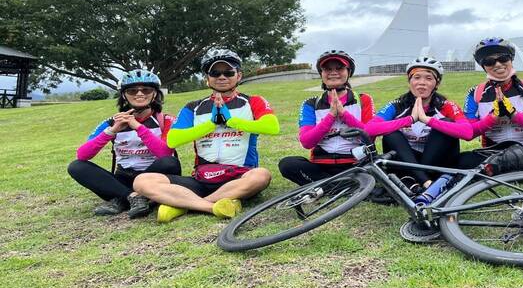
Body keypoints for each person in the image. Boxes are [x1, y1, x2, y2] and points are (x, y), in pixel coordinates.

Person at [133, 49, 279, 222]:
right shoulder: (193, 107)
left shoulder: (253, 101)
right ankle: (211, 206)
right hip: (202, 178)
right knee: (142, 181)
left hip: (240, 175)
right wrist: (211, 124)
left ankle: (185, 204)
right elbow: (173, 140)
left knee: (261, 175)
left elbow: (272, 127)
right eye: (215, 73)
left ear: (239, 76)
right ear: (207, 78)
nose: (222, 77)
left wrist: (231, 121)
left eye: (228, 72)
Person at [68, 69, 181, 217]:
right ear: (124, 95)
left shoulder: (166, 120)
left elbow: (164, 153)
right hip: (124, 177)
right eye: (132, 91)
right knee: (76, 166)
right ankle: (133, 197)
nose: (139, 94)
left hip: (154, 176)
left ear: (155, 94)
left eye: (146, 90)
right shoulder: (111, 122)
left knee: (170, 162)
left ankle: (122, 199)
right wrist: (112, 131)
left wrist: (138, 127)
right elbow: (82, 155)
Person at [365, 57, 472, 193]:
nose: (422, 83)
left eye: (428, 78)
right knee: (391, 134)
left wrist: (428, 120)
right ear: (409, 81)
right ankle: (425, 182)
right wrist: (410, 119)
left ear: (437, 83)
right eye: (416, 77)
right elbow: (369, 129)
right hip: (408, 162)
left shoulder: (445, 105)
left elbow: (468, 132)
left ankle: (418, 181)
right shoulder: (397, 105)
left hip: (436, 165)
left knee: (446, 124)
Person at [458, 37, 523, 170]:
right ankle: (514, 167)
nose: (498, 64)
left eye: (503, 58)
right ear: (483, 66)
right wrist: (492, 118)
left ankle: (498, 170)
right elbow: (468, 133)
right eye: (489, 61)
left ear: (511, 60)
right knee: (461, 160)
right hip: (493, 152)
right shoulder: (475, 93)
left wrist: (514, 115)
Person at [279, 50, 375, 186]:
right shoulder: (311, 103)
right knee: (287, 164)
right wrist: (330, 116)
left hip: (355, 163)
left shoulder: (363, 99)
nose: (333, 72)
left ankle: (327, 187)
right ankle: (343, 186)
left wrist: (344, 115)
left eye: (339, 68)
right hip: (321, 165)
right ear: (321, 73)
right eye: (328, 69)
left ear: (349, 72)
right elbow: (307, 142)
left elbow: (370, 136)